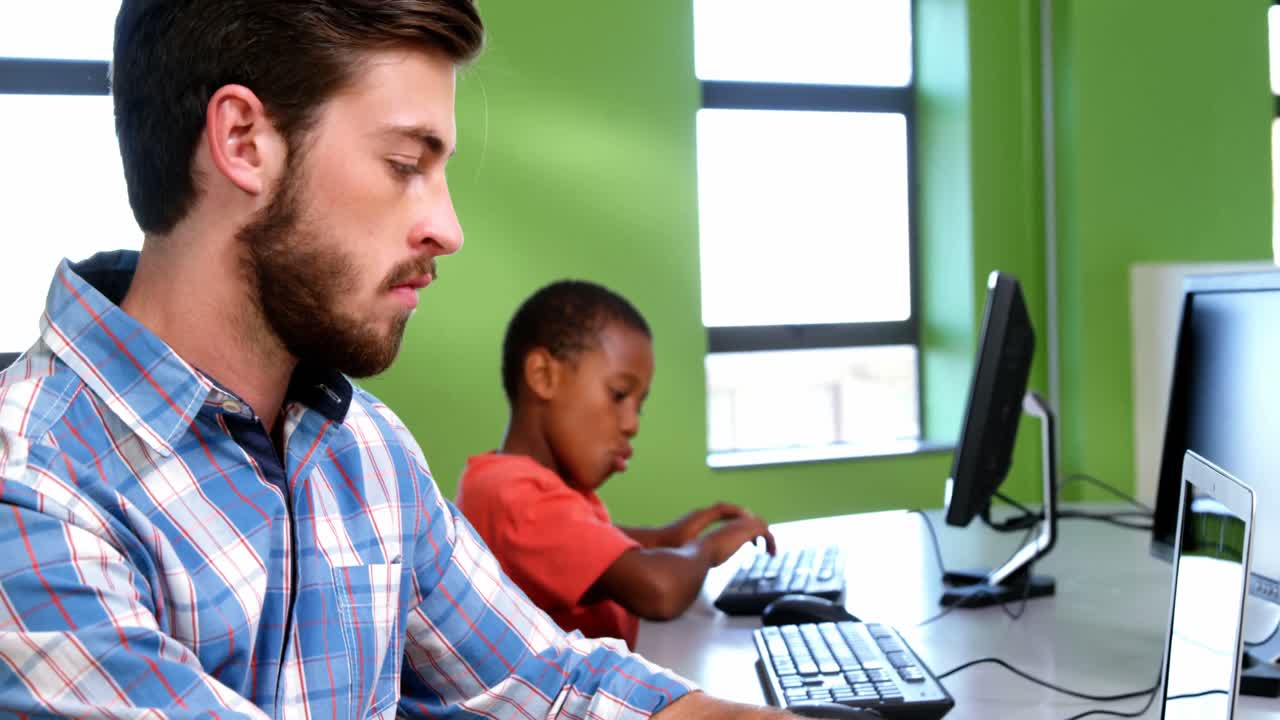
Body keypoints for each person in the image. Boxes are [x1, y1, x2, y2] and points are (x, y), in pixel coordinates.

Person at [0, 2, 795, 717]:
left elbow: (555, 681)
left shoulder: (370, 452)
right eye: (406, 165)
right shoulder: (31, 486)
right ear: (243, 141)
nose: (447, 228)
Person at [455, 280, 776, 649]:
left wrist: (668, 537)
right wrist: (706, 549)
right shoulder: (516, 496)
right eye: (619, 395)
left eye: (638, 405)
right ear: (543, 376)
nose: (632, 424)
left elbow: (597, 544)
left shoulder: (509, 482)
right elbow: (659, 590)